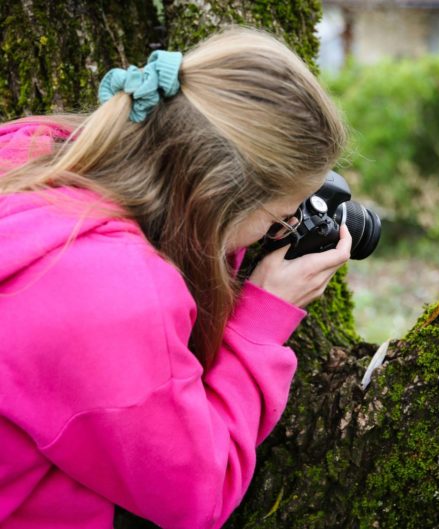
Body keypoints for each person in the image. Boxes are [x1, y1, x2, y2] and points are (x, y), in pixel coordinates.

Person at [0, 26, 350, 528]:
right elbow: (194, 500)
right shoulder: (117, 293)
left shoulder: (27, 150)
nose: (283, 229)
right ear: (219, 199)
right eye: (279, 215)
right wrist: (260, 322)